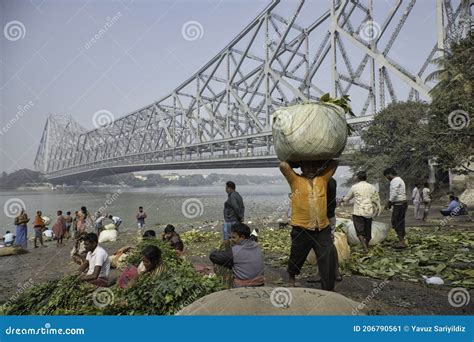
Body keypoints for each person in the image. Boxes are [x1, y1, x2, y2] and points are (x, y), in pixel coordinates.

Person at [280, 160, 338, 290]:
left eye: (314, 166)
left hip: (322, 228)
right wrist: (297, 161)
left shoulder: (323, 179)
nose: (311, 169)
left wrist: (320, 164)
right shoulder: (295, 180)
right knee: (296, 255)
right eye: (307, 166)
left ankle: (328, 289)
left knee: (327, 258)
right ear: (301, 167)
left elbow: (335, 162)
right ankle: (291, 279)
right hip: (301, 228)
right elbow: (283, 165)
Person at [210, 223, 264, 287]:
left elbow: (212, 256)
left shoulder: (235, 251)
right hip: (259, 281)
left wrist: (217, 250)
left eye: (234, 237)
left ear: (242, 237)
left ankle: (225, 285)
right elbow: (253, 237)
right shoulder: (256, 245)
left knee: (218, 263)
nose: (232, 239)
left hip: (242, 284)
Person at [341, 171, 381, 253]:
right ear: (366, 178)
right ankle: (366, 245)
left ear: (358, 178)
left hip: (358, 212)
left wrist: (342, 200)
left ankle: (365, 248)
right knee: (368, 231)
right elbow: (376, 199)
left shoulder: (355, 187)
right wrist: (377, 210)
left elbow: (347, 198)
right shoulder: (371, 187)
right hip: (369, 212)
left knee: (359, 232)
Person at [383, 168, 408, 249]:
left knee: (396, 222)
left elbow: (394, 193)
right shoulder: (399, 180)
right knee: (400, 222)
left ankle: (401, 241)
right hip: (400, 203)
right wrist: (391, 203)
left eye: (386, 176)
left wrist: (389, 202)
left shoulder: (395, 180)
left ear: (389, 174)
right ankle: (401, 239)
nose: (387, 178)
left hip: (399, 204)